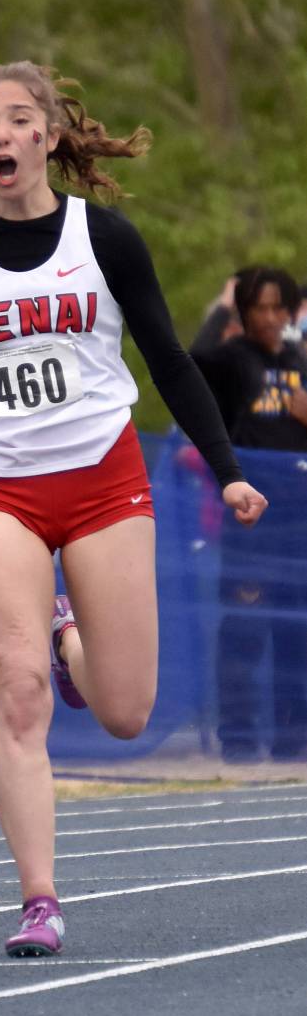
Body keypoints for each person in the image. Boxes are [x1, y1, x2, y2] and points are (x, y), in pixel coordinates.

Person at [0, 61, 268, 959]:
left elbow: (167, 359)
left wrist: (226, 467)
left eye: (16, 120)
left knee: (125, 711)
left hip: (101, 478)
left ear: (46, 133)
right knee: (16, 694)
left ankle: (65, 637)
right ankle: (38, 898)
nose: (0, 136)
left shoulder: (104, 238)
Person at [191, 266, 307, 762]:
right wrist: (222, 303)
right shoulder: (236, 360)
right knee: (243, 628)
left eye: (279, 307)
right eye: (258, 306)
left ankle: (292, 736)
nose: (270, 317)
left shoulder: (300, 358)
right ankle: (237, 738)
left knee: (295, 631)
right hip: (250, 523)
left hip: (298, 522)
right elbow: (192, 362)